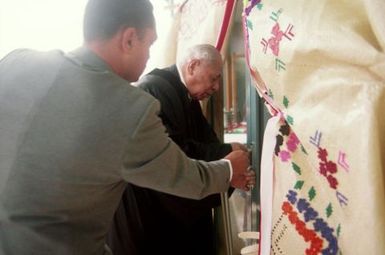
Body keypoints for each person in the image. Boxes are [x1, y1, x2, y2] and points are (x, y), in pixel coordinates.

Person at [0, 0, 255, 254]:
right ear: (130, 39)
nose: (148, 56)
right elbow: (183, 175)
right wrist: (230, 167)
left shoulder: (15, 63)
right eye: (149, 43)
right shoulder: (130, 106)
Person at [107, 44, 249, 255]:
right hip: (145, 212)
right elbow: (173, 154)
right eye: (214, 78)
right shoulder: (154, 89)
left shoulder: (186, 95)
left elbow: (206, 143)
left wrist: (229, 160)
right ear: (192, 66)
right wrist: (228, 159)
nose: (217, 87)